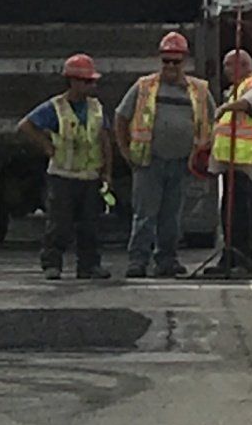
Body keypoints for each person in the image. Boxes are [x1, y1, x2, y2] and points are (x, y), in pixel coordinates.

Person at [115, 31, 213, 279]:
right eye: (166, 61)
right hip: (149, 162)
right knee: (145, 215)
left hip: (182, 163)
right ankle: (138, 261)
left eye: (175, 61)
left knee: (172, 216)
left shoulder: (199, 90)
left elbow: (214, 120)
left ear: (185, 62)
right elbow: (121, 117)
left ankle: (167, 260)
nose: (170, 66)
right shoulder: (144, 87)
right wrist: (125, 151)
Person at [18, 55, 113, 281]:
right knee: (59, 225)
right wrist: (47, 147)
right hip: (63, 176)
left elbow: (104, 140)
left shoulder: (95, 108)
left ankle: (89, 266)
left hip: (89, 177)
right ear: (73, 81)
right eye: (88, 81)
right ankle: (52, 264)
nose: (93, 86)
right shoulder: (56, 108)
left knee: (90, 225)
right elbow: (26, 126)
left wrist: (107, 172)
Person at [205, 47, 252, 277]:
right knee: (229, 210)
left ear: (242, 66)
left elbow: (250, 106)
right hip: (232, 162)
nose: (225, 71)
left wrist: (225, 107)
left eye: (228, 65)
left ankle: (246, 258)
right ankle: (230, 255)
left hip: (248, 161)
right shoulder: (237, 89)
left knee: (244, 213)